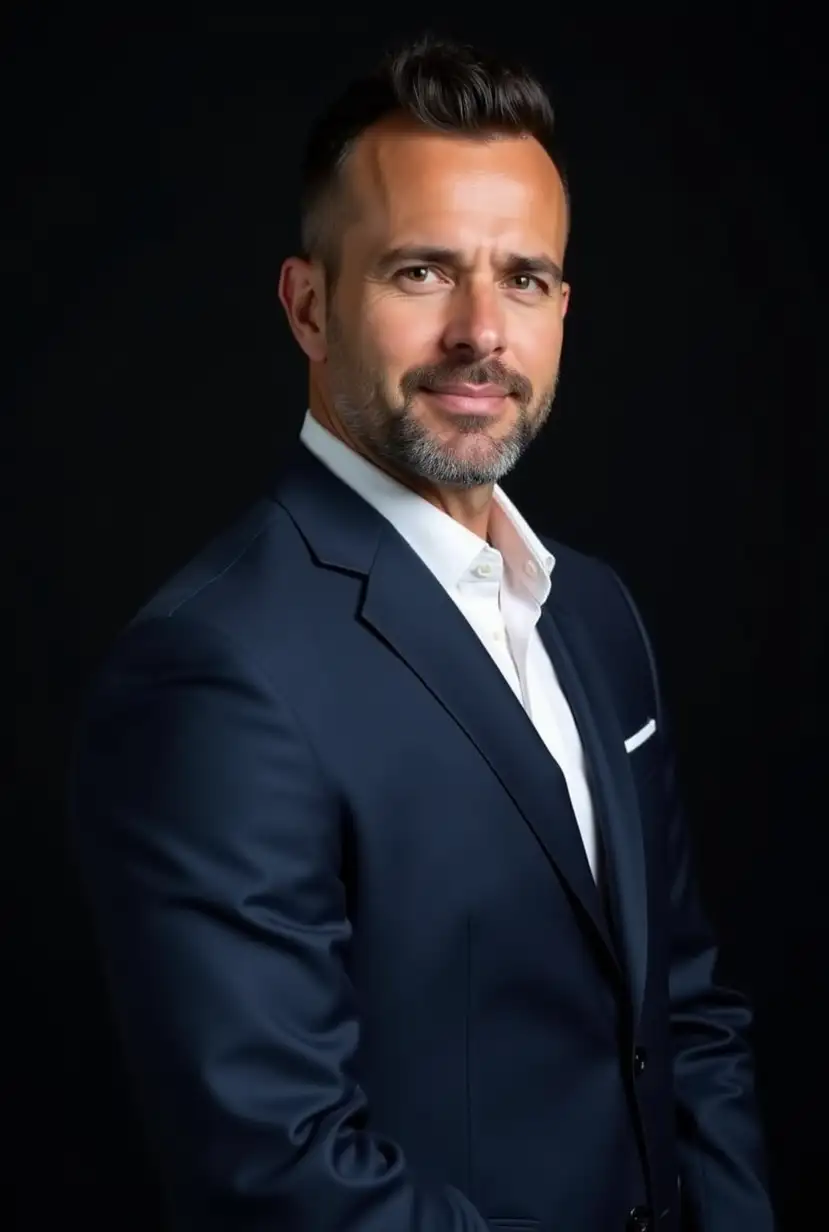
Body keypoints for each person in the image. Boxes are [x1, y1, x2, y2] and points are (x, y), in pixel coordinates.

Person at [70, 35, 776, 1232]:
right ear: (308, 305)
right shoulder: (212, 671)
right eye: (419, 272)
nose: (479, 331)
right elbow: (277, 1170)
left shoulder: (595, 611)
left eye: (525, 279)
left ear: (561, 308)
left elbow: (683, 1012)